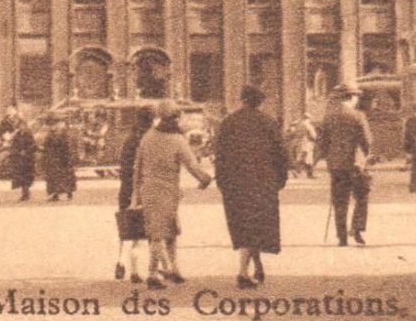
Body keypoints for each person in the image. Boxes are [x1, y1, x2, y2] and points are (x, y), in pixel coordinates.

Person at [214, 86, 288, 288]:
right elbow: (282, 154)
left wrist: (221, 180)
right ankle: (243, 273)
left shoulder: (228, 122)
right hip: (263, 184)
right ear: (260, 102)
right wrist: (280, 179)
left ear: (242, 100)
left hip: (234, 184)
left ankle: (256, 265)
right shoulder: (269, 122)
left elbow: (219, 154)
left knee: (244, 225)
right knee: (256, 225)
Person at [133, 102, 212, 288]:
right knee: (162, 234)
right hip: (167, 192)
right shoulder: (178, 140)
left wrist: (136, 193)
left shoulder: (148, 137)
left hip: (150, 190)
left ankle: (163, 271)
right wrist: (205, 179)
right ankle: (165, 270)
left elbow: (138, 167)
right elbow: (192, 165)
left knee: (163, 232)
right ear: (174, 118)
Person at [316, 83, 373, 246]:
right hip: (355, 165)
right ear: (352, 97)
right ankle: (356, 228)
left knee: (339, 201)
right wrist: (367, 156)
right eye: (356, 97)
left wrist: (328, 158)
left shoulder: (328, 117)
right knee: (362, 197)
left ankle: (341, 237)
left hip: (336, 166)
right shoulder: (357, 116)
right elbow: (367, 141)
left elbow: (322, 143)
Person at [114, 107, 153, 284]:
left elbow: (124, 168)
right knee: (143, 233)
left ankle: (122, 260)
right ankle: (137, 271)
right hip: (142, 189)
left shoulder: (129, 140)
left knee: (127, 230)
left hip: (126, 189)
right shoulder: (148, 140)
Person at [43, 116, 78, 201]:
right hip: (53, 158)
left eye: (53, 124)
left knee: (64, 176)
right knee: (54, 177)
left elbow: (66, 146)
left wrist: (67, 157)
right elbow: (47, 145)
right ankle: (55, 194)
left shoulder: (62, 134)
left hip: (62, 157)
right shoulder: (51, 133)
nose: (52, 126)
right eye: (50, 125)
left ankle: (67, 193)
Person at [10, 114, 38, 202]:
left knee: (27, 176)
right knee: (21, 177)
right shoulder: (17, 134)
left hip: (28, 159)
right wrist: (17, 152)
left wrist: (26, 151)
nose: (21, 127)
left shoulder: (28, 134)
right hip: (20, 159)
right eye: (19, 125)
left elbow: (33, 146)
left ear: (25, 125)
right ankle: (24, 194)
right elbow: (13, 146)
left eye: (22, 125)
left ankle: (26, 194)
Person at [294, 111, 318, 179]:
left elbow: (295, 133)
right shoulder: (308, 125)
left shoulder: (298, 125)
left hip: (299, 143)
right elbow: (313, 135)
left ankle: (298, 171)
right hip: (307, 143)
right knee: (308, 159)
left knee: (301, 157)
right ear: (308, 118)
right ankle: (309, 174)